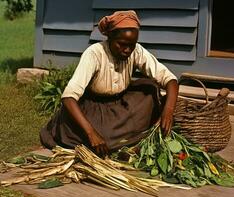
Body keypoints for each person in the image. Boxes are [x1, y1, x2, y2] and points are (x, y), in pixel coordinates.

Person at [40, 10, 179, 156]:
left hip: (120, 104)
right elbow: (68, 98)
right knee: (103, 136)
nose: (127, 50)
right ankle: (120, 138)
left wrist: (168, 111)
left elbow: (170, 80)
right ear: (110, 38)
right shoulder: (94, 53)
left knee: (150, 88)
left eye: (132, 45)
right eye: (122, 44)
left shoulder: (136, 50)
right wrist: (91, 133)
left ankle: (127, 135)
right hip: (94, 107)